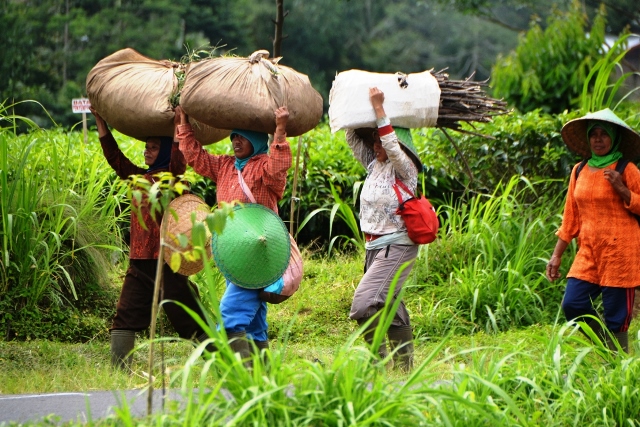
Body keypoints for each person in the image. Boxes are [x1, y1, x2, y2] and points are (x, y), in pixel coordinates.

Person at [91, 108, 209, 371]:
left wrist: (180, 124)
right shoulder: (140, 180)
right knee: (125, 315)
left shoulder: (173, 179)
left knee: (189, 317)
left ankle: (220, 362)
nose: (147, 152)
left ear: (166, 151)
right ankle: (120, 370)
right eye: (146, 147)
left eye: (154, 148)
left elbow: (179, 160)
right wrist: (101, 124)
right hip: (140, 262)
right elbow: (116, 159)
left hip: (168, 262)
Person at [173, 105, 291, 362]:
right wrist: (183, 121)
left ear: (257, 140)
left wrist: (280, 129)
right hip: (234, 253)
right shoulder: (226, 166)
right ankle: (265, 377)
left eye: (243, 137)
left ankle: (244, 378)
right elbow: (196, 157)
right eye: (234, 137)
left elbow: (279, 165)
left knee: (230, 316)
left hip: (258, 252)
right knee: (255, 323)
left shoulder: (263, 168)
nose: (237, 142)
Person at [547, 108, 640, 353]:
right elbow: (570, 218)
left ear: (614, 138)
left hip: (620, 253)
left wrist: (622, 189)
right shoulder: (579, 170)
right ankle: (606, 350)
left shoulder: (626, 169)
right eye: (594, 134)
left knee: (616, 315)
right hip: (588, 251)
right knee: (573, 304)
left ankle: (619, 368)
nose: (598, 139)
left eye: (604, 134)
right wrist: (556, 256)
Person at [345, 87, 422, 372]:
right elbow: (352, 138)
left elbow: (392, 145)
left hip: (397, 245)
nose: (376, 146)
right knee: (390, 308)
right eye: (374, 141)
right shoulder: (373, 166)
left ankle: (379, 364)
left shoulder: (405, 170)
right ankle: (404, 371)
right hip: (374, 247)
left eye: (380, 141)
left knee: (364, 305)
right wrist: (351, 106)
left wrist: (379, 109)